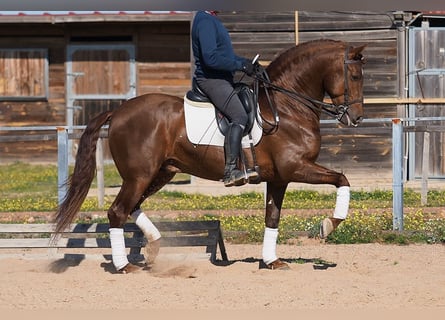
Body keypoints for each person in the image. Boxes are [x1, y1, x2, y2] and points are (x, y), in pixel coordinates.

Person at [191, 10, 259, 187]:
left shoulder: (212, 20)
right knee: (239, 116)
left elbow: (225, 56)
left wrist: (246, 63)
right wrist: (239, 65)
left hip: (223, 79)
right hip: (211, 80)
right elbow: (211, 58)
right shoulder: (205, 21)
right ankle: (230, 171)